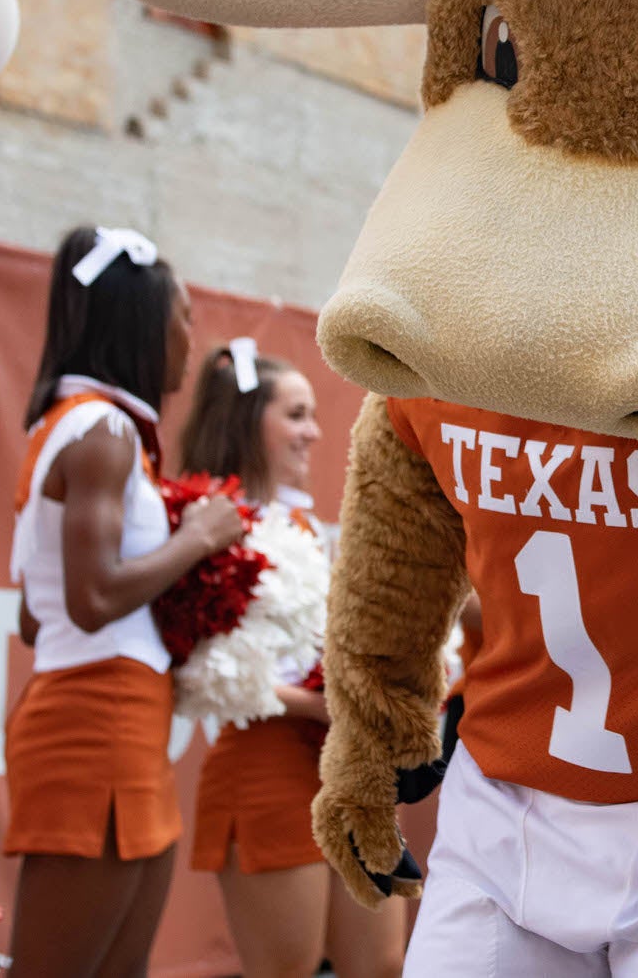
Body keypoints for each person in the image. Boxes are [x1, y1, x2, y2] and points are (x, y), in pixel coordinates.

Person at [5, 226, 247, 978]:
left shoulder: (101, 430)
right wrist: (198, 539)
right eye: (181, 315)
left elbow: (32, 614)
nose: (190, 334)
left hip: (122, 717)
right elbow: (89, 598)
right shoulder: (100, 430)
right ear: (141, 323)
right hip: (93, 723)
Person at [180, 342, 409, 978]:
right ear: (248, 420)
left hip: (345, 771)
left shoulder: (304, 528)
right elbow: (203, 672)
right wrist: (328, 705)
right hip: (265, 769)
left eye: (313, 415)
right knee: (289, 968)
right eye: (297, 415)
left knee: (382, 962)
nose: (314, 431)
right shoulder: (208, 522)